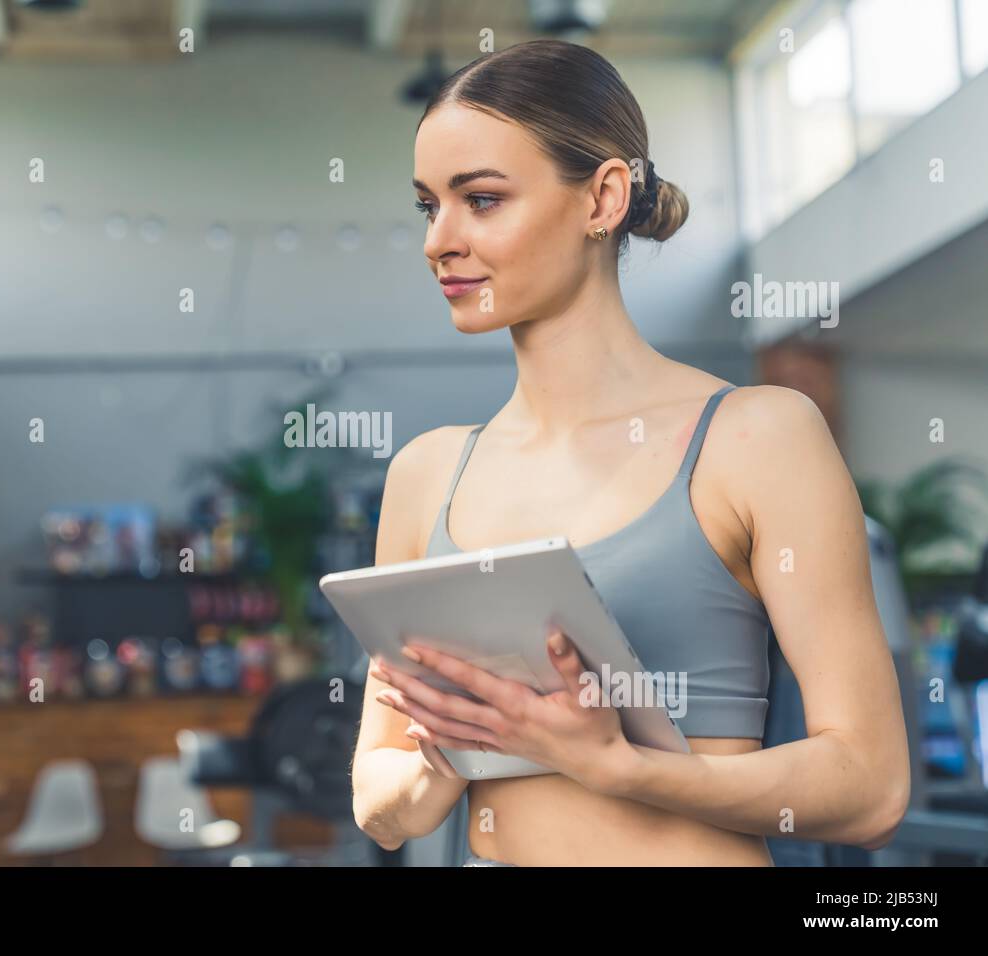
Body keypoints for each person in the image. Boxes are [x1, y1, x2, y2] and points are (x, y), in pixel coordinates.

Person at [350, 38, 909, 866]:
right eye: (429, 205)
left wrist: (619, 767)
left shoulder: (757, 436)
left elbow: (871, 785)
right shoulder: (427, 474)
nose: (440, 239)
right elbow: (378, 805)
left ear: (603, 198)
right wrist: (449, 752)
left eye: (483, 200)